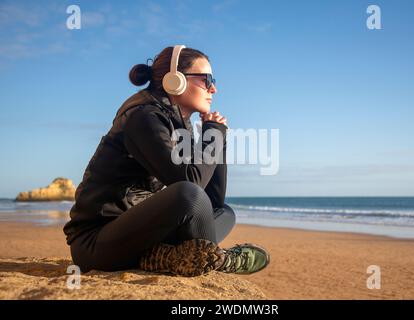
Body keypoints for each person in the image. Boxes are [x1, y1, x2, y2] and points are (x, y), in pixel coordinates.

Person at [63, 45, 270, 276]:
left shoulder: (179, 125)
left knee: (225, 212)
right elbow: (190, 184)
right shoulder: (143, 117)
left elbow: (212, 198)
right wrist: (214, 135)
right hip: (98, 242)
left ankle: (166, 256)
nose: (214, 88)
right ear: (175, 80)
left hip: (140, 234)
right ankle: (219, 260)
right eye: (206, 79)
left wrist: (217, 135)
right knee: (187, 194)